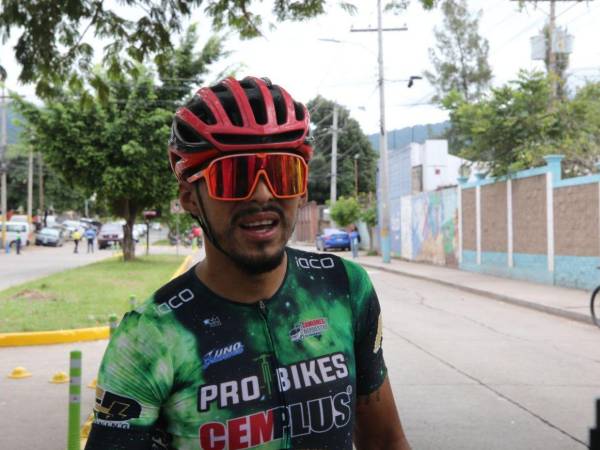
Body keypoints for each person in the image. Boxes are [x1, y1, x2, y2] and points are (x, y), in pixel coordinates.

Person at [85, 76, 411, 450]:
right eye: (234, 176)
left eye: (281, 173)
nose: (261, 193)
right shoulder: (149, 336)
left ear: (302, 187)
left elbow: (385, 440)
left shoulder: (344, 288)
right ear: (190, 197)